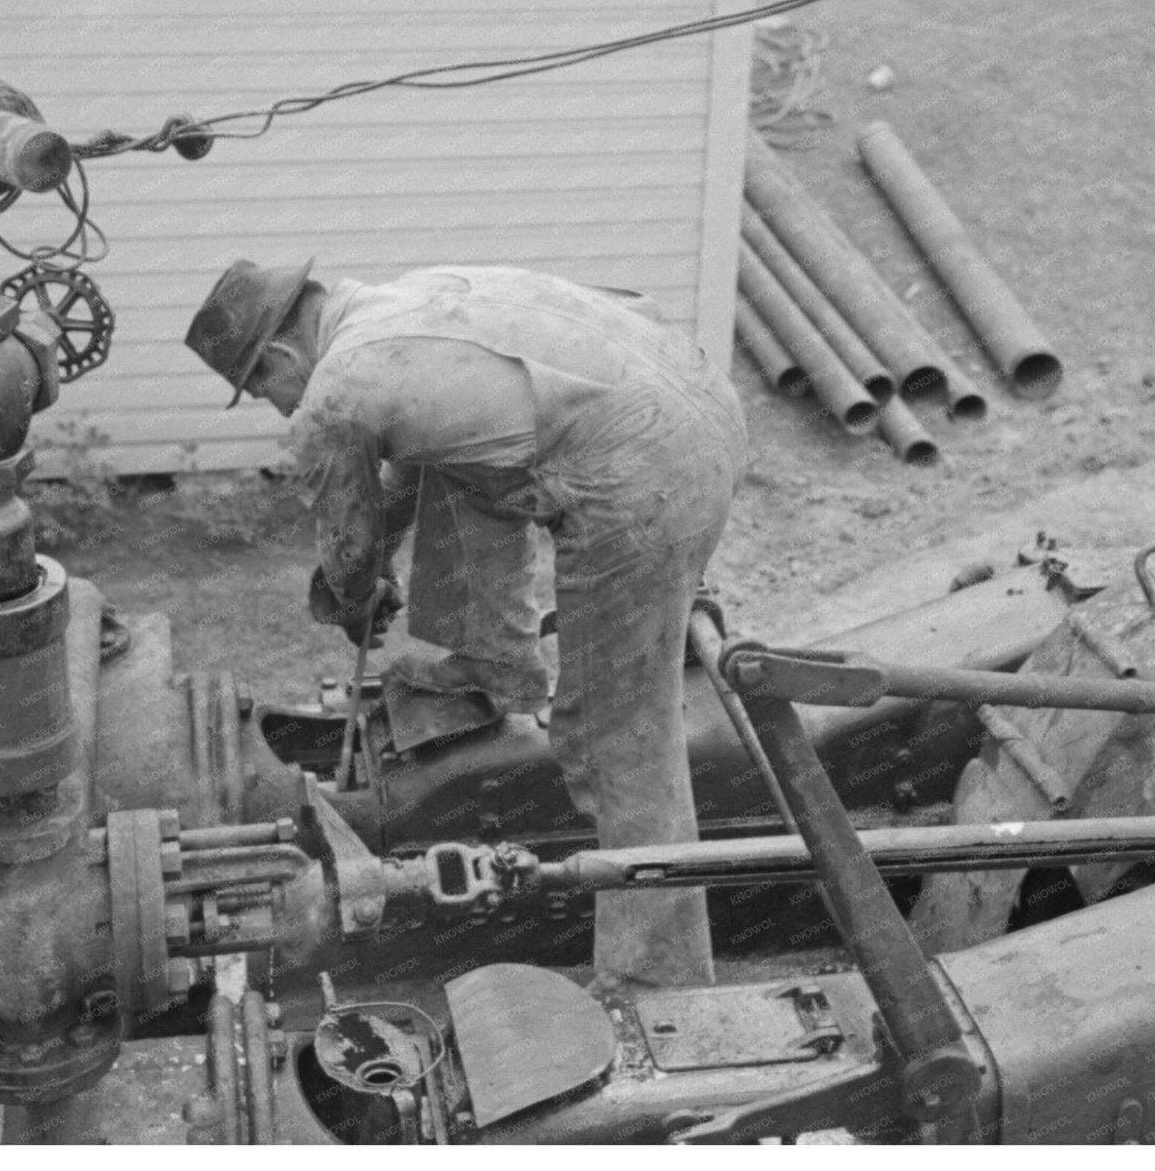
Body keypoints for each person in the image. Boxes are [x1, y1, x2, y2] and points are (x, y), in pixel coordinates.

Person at [186, 260, 747, 986]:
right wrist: (367, 564)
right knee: (456, 469)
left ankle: (658, 977)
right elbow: (402, 478)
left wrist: (356, 593)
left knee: (617, 739)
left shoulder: (337, 392)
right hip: (695, 409)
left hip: (648, 480)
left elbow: (348, 550)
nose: (275, 404)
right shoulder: (404, 302)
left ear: (279, 357)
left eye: (263, 388)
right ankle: (495, 661)